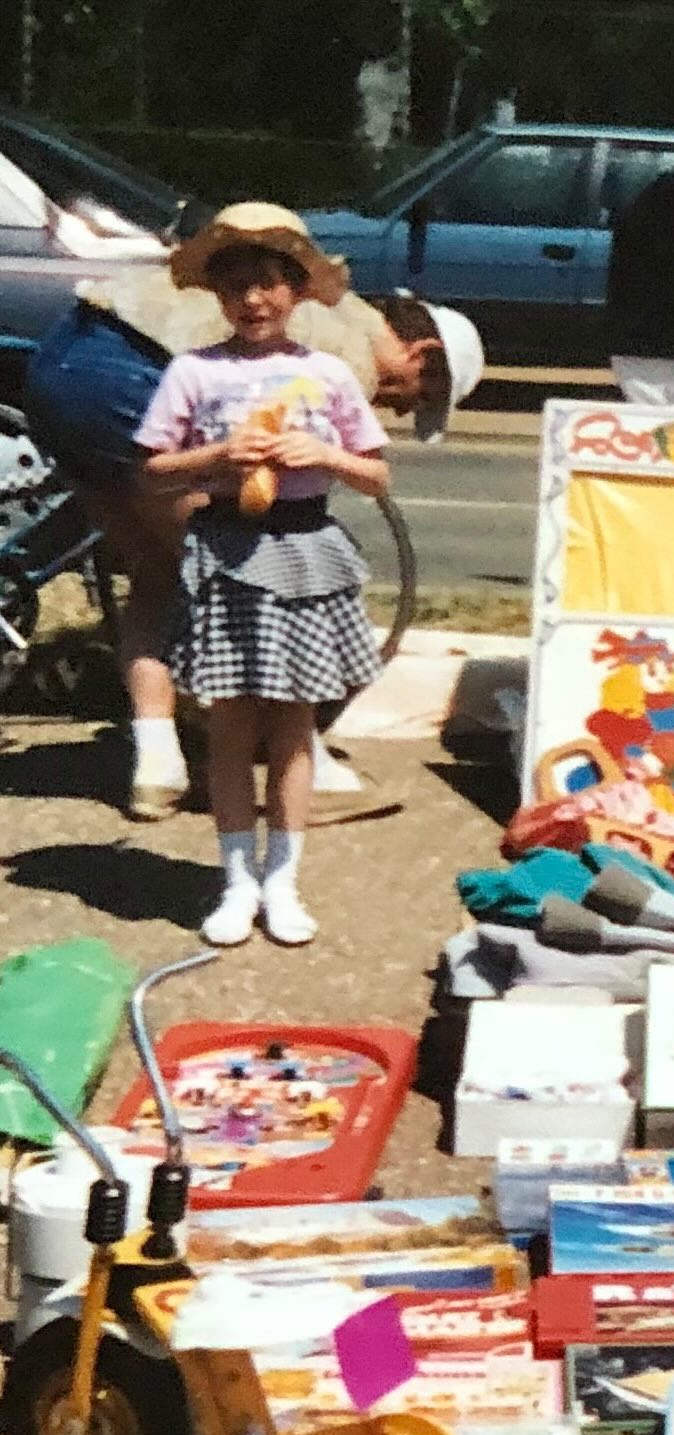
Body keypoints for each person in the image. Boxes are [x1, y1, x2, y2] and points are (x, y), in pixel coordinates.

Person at [24, 235, 483, 820]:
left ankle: (157, 766)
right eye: (416, 398)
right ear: (420, 354)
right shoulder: (340, 354)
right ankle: (300, 763)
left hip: (65, 359)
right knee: (242, 579)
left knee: (158, 576)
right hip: (130, 373)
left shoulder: (334, 310)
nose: (397, 409)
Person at [136, 203, 389, 947]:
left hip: (306, 553)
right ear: (216, 297)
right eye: (236, 287)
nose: (254, 301)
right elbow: (152, 468)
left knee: (294, 725)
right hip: (227, 555)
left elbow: (377, 475)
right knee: (229, 723)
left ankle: (284, 877)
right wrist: (215, 461)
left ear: (299, 291)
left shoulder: (327, 374)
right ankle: (236, 878)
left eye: (270, 285)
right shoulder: (193, 372)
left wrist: (328, 457)